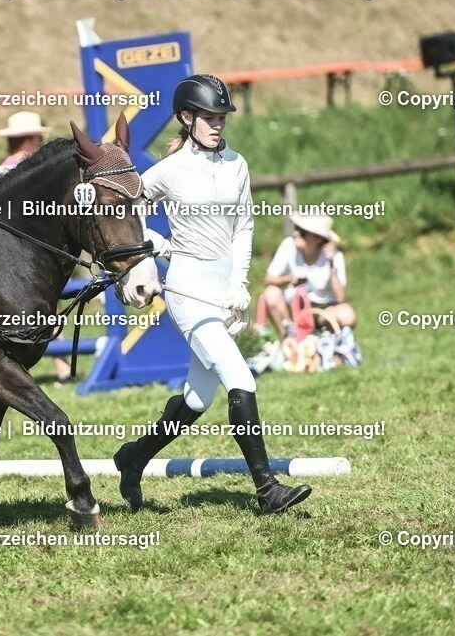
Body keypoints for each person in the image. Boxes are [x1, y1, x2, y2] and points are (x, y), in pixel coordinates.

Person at [113, 74, 312, 515]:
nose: (218, 125)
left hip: (223, 290)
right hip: (187, 291)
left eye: (222, 117)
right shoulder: (168, 170)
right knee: (240, 378)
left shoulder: (237, 164)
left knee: (197, 399)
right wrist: (161, 248)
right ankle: (267, 491)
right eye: (209, 118)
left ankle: (134, 456)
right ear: (187, 118)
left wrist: (240, 283)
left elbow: (243, 227)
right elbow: (125, 215)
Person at [0, 111, 71, 382]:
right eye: (37, 137)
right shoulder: (33, 171)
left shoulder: (6, 167)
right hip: (33, 252)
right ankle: (61, 367)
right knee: (51, 308)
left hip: (19, 251)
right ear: (30, 139)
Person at [261, 214, 357, 339]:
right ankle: (289, 341)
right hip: (293, 307)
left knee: (347, 314)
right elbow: (269, 279)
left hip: (323, 309)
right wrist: (288, 279)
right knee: (271, 293)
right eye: (296, 228)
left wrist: (332, 266)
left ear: (318, 238)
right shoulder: (288, 245)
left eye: (302, 231)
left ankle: (333, 346)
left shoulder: (334, 255)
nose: (296, 233)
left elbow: (340, 298)